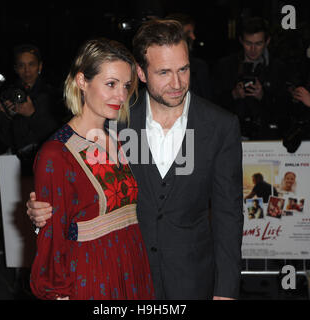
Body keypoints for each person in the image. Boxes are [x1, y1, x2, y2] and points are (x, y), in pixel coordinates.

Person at [27, 19, 244, 300]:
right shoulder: (116, 122)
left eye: (183, 69)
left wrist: (225, 291)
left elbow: (229, 215)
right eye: (164, 72)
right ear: (141, 73)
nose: (177, 83)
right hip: (128, 277)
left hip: (194, 280)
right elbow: (77, 191)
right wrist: (41, 212)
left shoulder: (220, 126)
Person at [29, 38, 155, 300]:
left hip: (134, 269)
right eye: (111, 84)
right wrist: (57, 294)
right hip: (93, 277)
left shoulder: (123, 137)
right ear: (82, 81)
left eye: (126, 86)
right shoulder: (56, 154)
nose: (121, 96)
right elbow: (52, 238)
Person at [214, 17, 289, 140]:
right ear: (241, 41)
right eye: (248, 43)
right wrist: (233, 95)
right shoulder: (226, 66)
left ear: (267, 41)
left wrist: (263, 96)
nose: (253, 49)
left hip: (266, 137)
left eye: (258, 44)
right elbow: (212, 104)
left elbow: (284, 110)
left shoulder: (277, 68)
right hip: (231, 136)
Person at [0, 44, 60, 175]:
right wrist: (7, 118)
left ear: (40, 66)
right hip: (19, 165)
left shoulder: (53, 94)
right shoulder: (7, 95)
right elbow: (3, 139)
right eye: (21, 65)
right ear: (15, 68)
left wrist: (32, 114)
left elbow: (58, 135)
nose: (27, 71)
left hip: (49, 162)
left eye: (31, 64)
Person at [165, 13, 215, 102]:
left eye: (183, 69)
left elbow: (207, 101)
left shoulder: (199, 66)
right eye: (188, 32)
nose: (193, 37)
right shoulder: (199, 66)